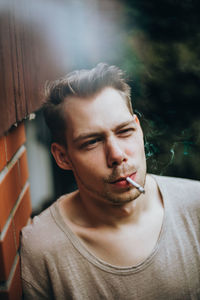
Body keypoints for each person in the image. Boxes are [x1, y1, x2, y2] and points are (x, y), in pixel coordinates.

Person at [20, 63, 200, 299]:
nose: (116, 155)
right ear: (63, 157)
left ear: (138, 129)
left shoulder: (195, 206)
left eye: (125, 131)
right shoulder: (42, 249)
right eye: (92, 142)